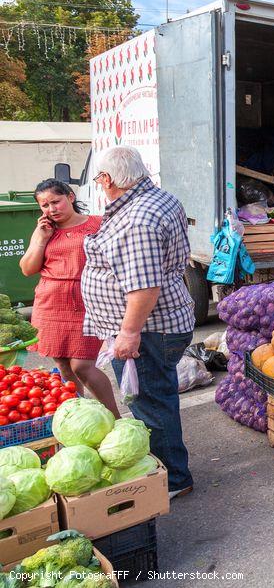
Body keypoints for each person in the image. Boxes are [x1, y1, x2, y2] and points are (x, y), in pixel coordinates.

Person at [81, 146, 195, 499]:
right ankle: (171, 470)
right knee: (157, 397)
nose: (100, 184)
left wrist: (128, 333)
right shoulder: (159, 199)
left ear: (110, 179)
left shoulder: (138, 219)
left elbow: (145, 285)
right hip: (163, 321)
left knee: (152, 404)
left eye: (100, 178)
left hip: (149, 329)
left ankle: (173, 479)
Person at [18, 180, 120, 416]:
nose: (51, 209)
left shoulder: (98, 224)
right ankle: (78, 416)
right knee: (63, 365)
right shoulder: (44, 230)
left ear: (70, 197)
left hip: (88, 300)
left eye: (56, 201)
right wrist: (42, 239)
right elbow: (27, 268)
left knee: (83, 365)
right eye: (44, 205)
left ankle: (115, 417)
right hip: (50, 303)